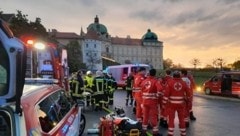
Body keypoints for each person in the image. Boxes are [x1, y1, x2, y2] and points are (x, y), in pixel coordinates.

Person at [162, 71, 190, 136]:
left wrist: (164, 103)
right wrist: (188, 100)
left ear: (173, 76)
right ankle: (183, 133)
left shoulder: (170, 82)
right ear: (180, 76)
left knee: (171, 119)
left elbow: (166, 94)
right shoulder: (183, 83)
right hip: (181, 104)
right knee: (182, 119)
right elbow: (188, 93)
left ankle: (170, 133)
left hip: (171, 104)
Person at [141, 69, 163, 136]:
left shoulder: (144, 81)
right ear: (155, 74)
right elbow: (160, 89)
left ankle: (143, 131)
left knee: (145, 117)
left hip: (145, 102)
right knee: (153, 117)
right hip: (152, 102)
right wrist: (157, 95)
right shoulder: (155, 81)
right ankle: (155, 133)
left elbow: (141, 89)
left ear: (149, 73)